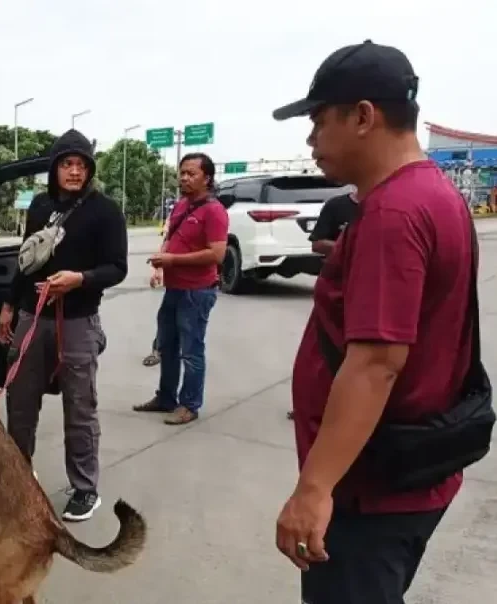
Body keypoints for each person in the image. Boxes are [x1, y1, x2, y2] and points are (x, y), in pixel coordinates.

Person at [271, 40, 479, 603]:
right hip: (408, 475)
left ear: (364, 116)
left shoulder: (394, 211)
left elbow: (376, 363)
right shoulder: (436, 194)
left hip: (370, 491)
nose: (311, 138)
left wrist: (314, 490)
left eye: (318, 120)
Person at [0, 129, 128, 522]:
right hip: (32, 318)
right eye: (67, 164)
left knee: (80, 407)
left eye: (81, 165)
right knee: (19, 401)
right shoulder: (39, 206)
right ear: (55, 169)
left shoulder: (105, 211)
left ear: (89, 169)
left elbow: (117, 268)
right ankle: (20, 474)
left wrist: (79, 279)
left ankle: (85, 489)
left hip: (78, 321)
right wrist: (7, 306)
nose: (74, 171)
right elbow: (26, 262)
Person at [132, 153, 228, 425]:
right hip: (174, 289)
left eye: (191, 173)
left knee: (191, 351)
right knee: (167, 346)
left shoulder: (214, 211)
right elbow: (170, 238)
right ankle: (165, 398)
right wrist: (160, 267)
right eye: (182, 172)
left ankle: (189, 405)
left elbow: (217, 254)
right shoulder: (181, 205)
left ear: (206, 178)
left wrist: (173, 260)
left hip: (196, 292)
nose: (184, 178)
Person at [287, 191, 359, 420]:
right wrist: (352, 245)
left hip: (371, 289)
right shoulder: (337, 205)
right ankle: (311, 404)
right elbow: (317, 243)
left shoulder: (388, 205)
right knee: (321, 352)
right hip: (336, 289)